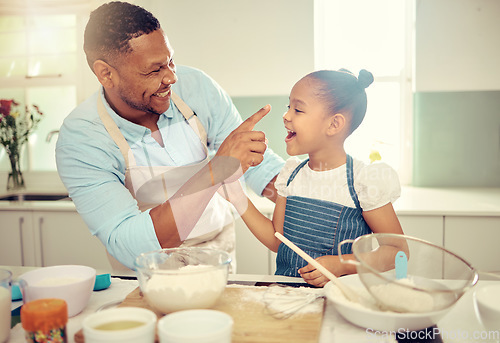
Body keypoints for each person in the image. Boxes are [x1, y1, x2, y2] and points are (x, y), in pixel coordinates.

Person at [55, 1, 284, 270]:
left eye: (170, 61)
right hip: (146, 273)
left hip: (217, 257)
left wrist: (308, 200)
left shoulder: (197, 87)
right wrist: (217, 169)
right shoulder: (82, 138)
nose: (171, 77)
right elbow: (128, 242)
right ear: (106, 74)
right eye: (154, 70)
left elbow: (259, 167)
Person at [223, 69, 404, 287]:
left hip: (339, 301)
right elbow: (277, 239)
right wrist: (236, 195)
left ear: (334, 124)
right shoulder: (291, 175)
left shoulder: (363, 181)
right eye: (288, 107)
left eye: (298, 109)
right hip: (286, 297)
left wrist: (341, 264)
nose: (286, 116)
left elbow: (397, 253)